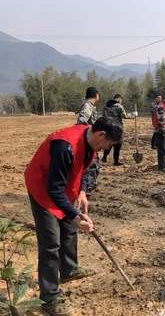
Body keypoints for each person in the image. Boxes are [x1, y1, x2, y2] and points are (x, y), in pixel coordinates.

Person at [24, 117, 123, 316]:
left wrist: (82, 191)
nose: (105, 150)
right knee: (51, 243)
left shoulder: (90, 139)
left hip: (64, 189)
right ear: (100, 134)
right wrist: (76, 217)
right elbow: (53, 189)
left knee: (69, 230)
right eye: (107, 145)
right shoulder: (64, 146)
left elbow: (84, 168)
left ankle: (69, 269)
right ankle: (49, 297)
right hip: (43, 190)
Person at [101, 94, 137, 166]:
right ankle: (116, 160)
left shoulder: (106, 106)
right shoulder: (119, 106)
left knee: (110, 142)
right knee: (118, 143)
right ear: (119, 99)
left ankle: (104, 156)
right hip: (117, 127)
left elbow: (103, 115)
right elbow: (125, 116)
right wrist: (133, 114)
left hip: (108, 126)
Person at [76, 87, 100, 192]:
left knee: (93, 162)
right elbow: (81, 122)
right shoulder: (87, 106)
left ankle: (90, 185)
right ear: (96, 95)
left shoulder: (90, 106)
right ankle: (88, 187)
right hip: (89, 140)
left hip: (91, 138)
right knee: (91, 163)